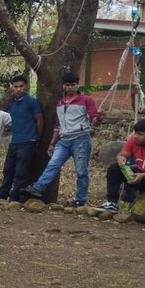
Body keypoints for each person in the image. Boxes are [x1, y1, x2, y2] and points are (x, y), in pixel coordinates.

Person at [21, 71, 101, 206]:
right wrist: (52, 143)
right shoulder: (60, 103)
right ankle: (37, 188)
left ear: (77, 85)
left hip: (80, 139)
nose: (70, 87)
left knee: (81, 171)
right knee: (53, 164)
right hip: (63, 140)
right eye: (67, 85)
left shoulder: (86, 100)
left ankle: (80, 200)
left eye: (73, 85)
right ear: (63, 86)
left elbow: (94, 121)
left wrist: (99, 118)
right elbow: (58, 125)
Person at [96, 119, 145, 232]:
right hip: (137, 174)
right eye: (135, 133)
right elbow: (122, 155)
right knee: (114, 168)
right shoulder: (133, 140)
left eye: (140, 134)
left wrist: (143, 176)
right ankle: (112, 203)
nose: (136, 136)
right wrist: (121, 161)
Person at [0, 75, 44, 202]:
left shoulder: (31, 102)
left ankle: (15, 198)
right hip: (14, 141)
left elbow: (40, 120)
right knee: (8, 170)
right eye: (16, 87)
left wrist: (36, 138)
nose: (18, 89)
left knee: (20, 172)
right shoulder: (12, 103)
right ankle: (1, 196)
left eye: (21, 86)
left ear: (25, 86)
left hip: (28, 141)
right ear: (12, 88)